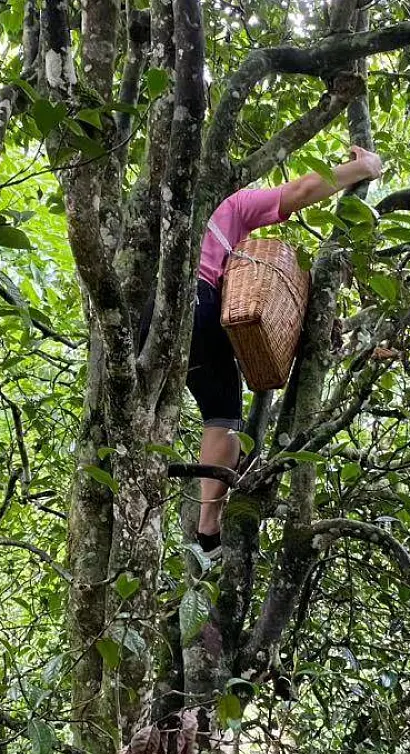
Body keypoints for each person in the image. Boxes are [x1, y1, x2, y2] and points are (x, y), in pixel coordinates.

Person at [150, 146, 383, 553]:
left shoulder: (161, 202)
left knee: (144, 406)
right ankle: (208, 530)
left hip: (142, 311)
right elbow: (302, 190)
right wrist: (364, 167)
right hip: (193, 301)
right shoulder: (233, 205)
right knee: (222, 414)